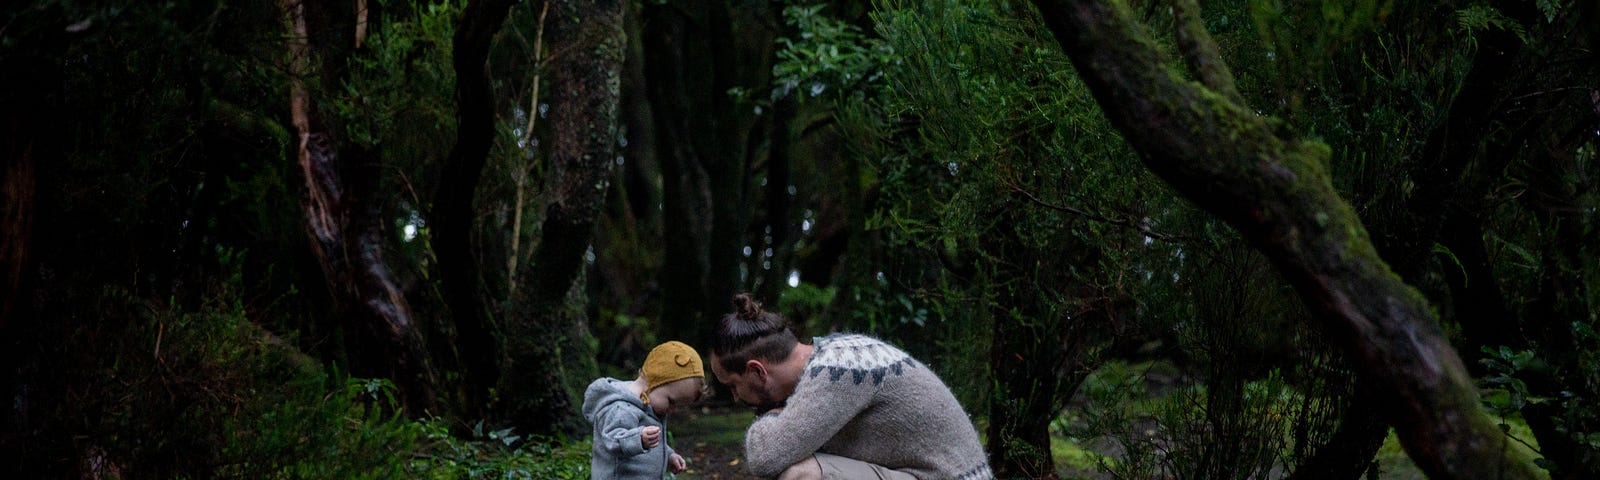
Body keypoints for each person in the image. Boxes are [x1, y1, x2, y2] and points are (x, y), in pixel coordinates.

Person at [708, 293, 992, 480]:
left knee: (801, 475)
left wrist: (770, 415)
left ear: (757, 371)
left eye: (732, 386)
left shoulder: (837, 369)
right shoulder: (833, 359)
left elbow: (764, 456)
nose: (734, 398)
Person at [583, 340, 708, 480]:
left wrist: (668, 455)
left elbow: (652, 446)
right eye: (671, 401)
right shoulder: (622, 408)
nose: (673, 410)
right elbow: (611, 440)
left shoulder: (649, 407)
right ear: (654, 382)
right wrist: (639, 439)